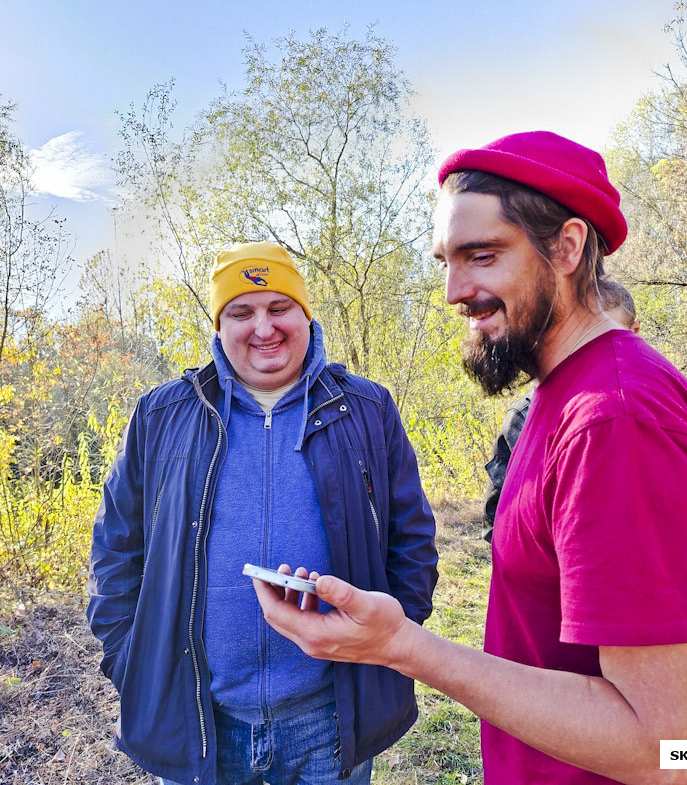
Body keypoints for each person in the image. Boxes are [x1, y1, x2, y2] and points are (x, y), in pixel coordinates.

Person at [253, 133, 687, 785]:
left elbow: (659, 749)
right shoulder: (566, 393)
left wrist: (405, 647)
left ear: (567, 248)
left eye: (481, 255)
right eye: (446, 261)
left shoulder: (616, 421)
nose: (456, 290)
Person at [86, 241, 439, 785]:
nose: (263, 328)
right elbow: (116, 548)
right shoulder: (162, 415)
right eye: (241, 312)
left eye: (279, 308)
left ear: (305, 313)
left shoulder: (368, 409)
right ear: (220, 324)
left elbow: (410, 539)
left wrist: (389, 643)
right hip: (199, 716)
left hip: (330, 715)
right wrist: (129, 660)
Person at [481, 281, 640, 541]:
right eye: (586, 339)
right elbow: (498, 511)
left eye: (610, 337)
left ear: (634, 333)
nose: (596, 353)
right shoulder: (526, 415)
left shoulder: (649, 408)